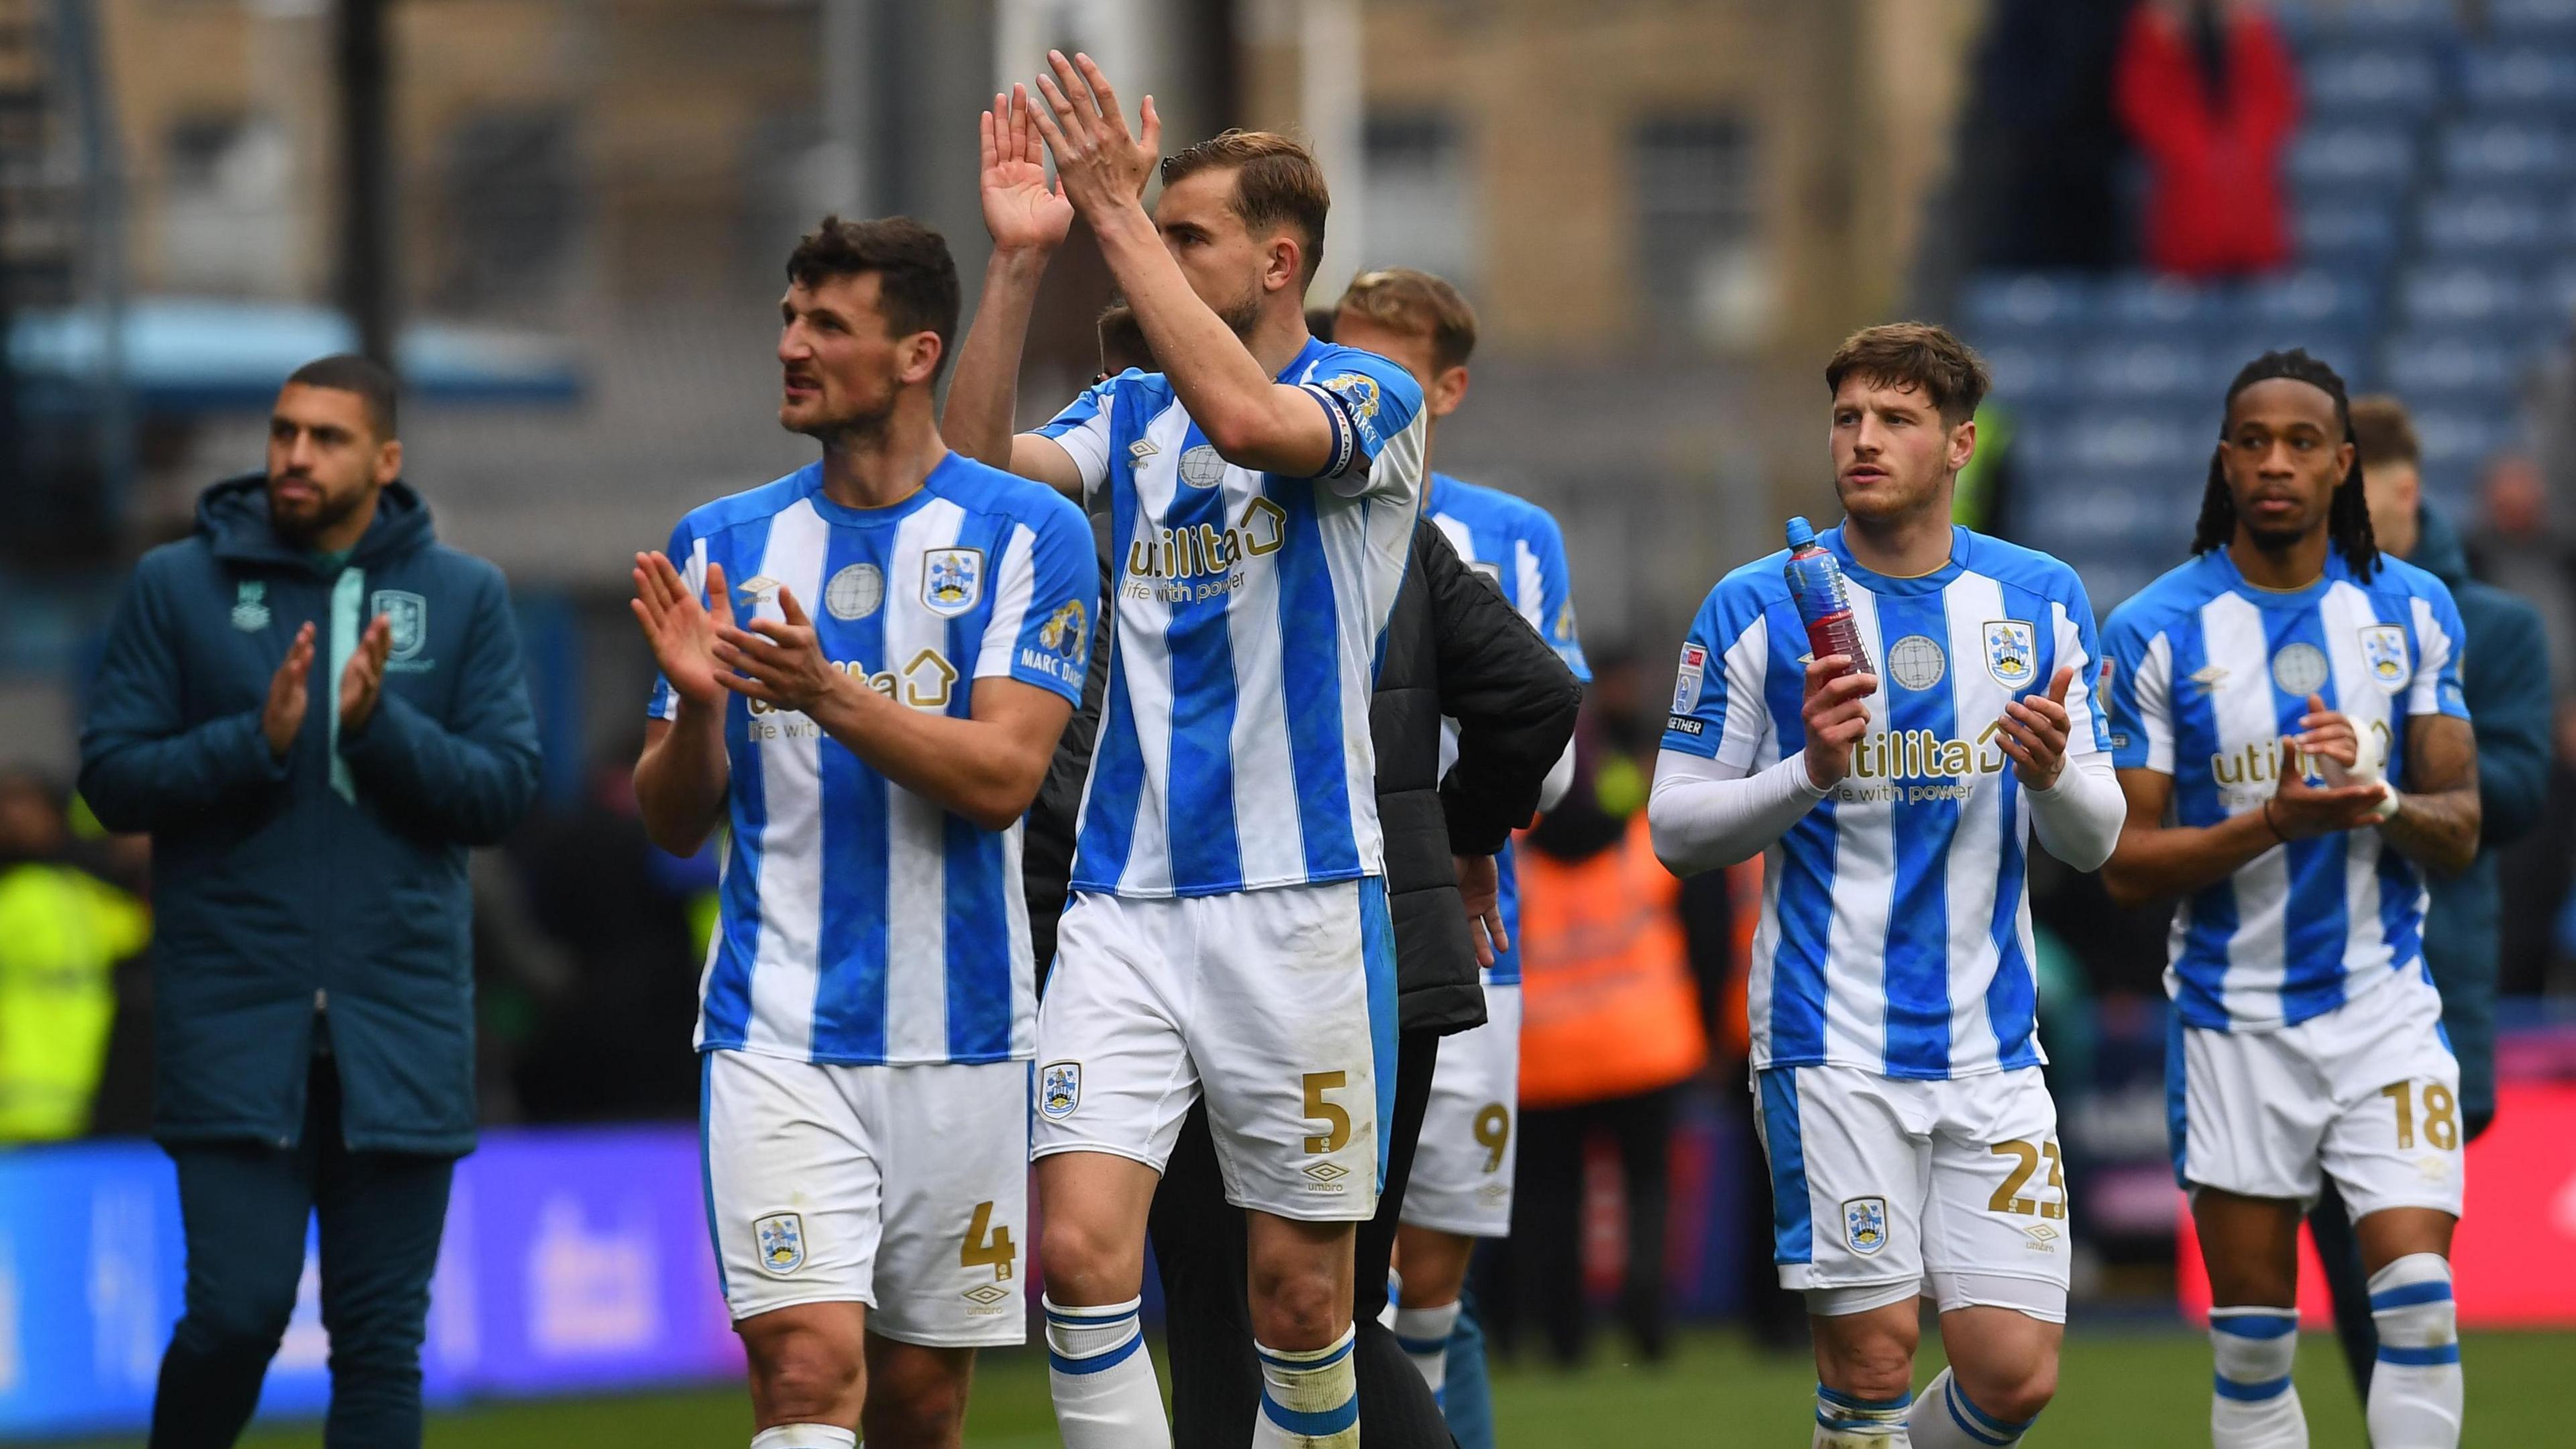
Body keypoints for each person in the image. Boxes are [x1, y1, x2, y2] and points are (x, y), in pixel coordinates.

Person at [942, 62, 1427, 1449]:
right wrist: (1025, 263)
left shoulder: (1373, 397)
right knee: (1084, 1263)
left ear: (1279, 262)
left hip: (1304, 903)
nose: (1150, 240)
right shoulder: (1132, 411)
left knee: (1294, 1301)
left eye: (1186, 231)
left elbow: (1257, 427)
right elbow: (968, 470)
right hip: (1125, 903)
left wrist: (1115, 212)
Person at [630, 215, 1091, 1449]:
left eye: (828, 324)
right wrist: (702, 717)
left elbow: (1001, 778)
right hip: (777, 1032)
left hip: (968, 1038)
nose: (792, 345)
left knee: (921, 1407)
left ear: (915, 354)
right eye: (789, 317)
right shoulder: (722, 543)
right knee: (804, 1374)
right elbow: (674, 822)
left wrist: (826, 690)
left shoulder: (1029, 535)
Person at [1650, 323, 2124, 1448]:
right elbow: (1676, 828)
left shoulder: (2038, 596)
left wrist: (2055, 773)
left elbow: (2098, 840)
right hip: (1830, 1039)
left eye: (1896, 419)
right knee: (1869, 1358)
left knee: (2013, 1377)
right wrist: (1809, 770)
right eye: (1848, 417)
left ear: (1959, 444)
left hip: (1994, 1045)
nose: (1863, 440)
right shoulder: (1759, 604)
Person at [79, 354, 541, 1448]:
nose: (293, 455)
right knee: (234, 1317)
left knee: (381, 1344)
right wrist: (260, 740)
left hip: (404, 1022)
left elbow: (502, 793)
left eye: (326, 438)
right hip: (236, 1019)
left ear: (384, 461)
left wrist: (377, 729)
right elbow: (110, 781)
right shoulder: (175, 586)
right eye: (284, 432)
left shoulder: (463, 594)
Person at [2100, 351, 2480, 1449]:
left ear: (2342, 465)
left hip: (2385, 1012)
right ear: (2225, 462)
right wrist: (2270, 822)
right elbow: (2127, 863)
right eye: (2254, 442)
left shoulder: (2411, 612)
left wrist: (2380, 804)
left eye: (2302, 442)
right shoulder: (2157, 630)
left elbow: (2459, 827)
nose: (2276, 462)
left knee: (2418, 1301)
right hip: (2233, 1022)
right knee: (2256, 1342)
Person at [1332, 264, 1591, 1432]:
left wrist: (1456, 819)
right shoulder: (1289, 498)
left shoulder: (1508, 537)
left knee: (1432, 1287)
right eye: (1346, 352)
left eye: (1390, 363)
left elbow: (1556, 753)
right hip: (1315, 919)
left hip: (1469, 935)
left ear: (1447, 388)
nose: (1361, 380)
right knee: (1331, 1278)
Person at [2302, 395, 2548, 1411]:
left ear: (2404, 491)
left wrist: (2380, 763)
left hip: (2427, 987)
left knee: (2403, 1280)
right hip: (2294, 991)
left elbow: (2523, 793)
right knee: (2343, 1287)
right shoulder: (2284, 621)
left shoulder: (2489, 627)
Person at [1507, 657, 1709, 1372]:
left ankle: (1564, 1338)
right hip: (1646, 1045)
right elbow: (1701, 933)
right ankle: (1649, 1325)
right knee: (1647, 1193)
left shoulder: (1517, 856)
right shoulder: (1640, 844)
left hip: (1547, 1054)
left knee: (1552, 1202)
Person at [0, 767, 150, 1142]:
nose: (13, 815)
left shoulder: (81, 894)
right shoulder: (57, 895)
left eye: (22, 801)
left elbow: (144, 929)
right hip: (44, 1109)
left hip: (81, 1103)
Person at [2112, 0, 2299, 278]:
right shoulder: (2158, 37)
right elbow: (2144, 107)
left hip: (2257, 239)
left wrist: (2249, 32)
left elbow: (2278, 103)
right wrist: (2158, 40)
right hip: (2185, 244)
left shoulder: (2247, 34)